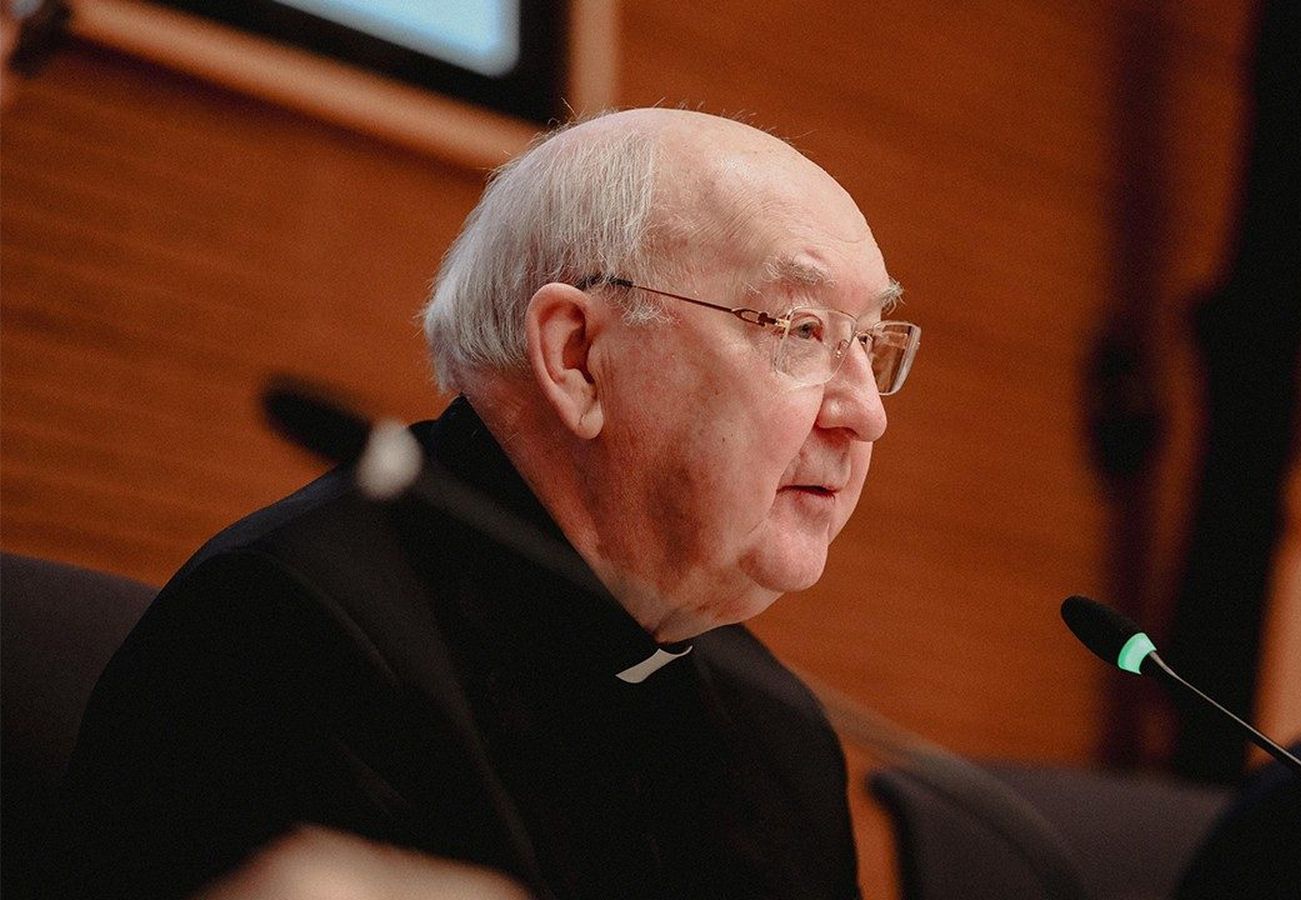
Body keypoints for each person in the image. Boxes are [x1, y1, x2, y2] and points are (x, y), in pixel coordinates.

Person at [52, 108, 921, 899]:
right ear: (578, 356)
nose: (866, 414)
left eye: (871, 345)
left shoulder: (781, 734)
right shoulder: (286, 635)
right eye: (803, 331)